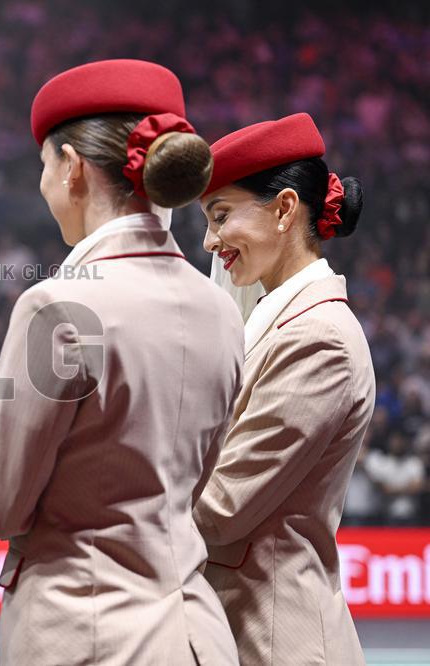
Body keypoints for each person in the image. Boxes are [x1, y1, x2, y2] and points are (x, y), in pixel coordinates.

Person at [0, 59, 242, 666]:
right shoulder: (219, 308)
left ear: (73, 167)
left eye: (43, 166)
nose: (41, 186)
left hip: (89, 634)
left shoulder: (57, 305)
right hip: (197, 633)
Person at [193, 113, 375, 665]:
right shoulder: (277, 320)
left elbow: (223, 508)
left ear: (285, 208)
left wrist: (90, 498)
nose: (210, 241)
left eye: (220, 216)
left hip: (277, 639)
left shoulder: (320, 339)